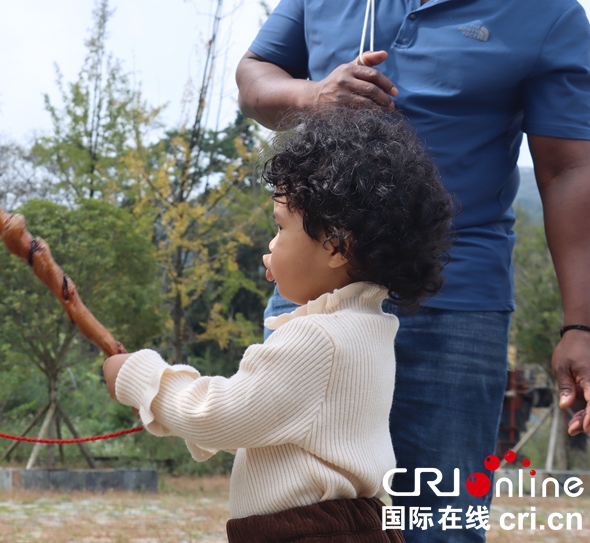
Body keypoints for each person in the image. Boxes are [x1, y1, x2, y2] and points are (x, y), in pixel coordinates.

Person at [236, 0, 590, 540]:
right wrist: (313, 96)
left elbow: (568, 170)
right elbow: (254, 76)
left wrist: (580, 324)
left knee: (440, 523)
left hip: (454, 307)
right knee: (292, 517)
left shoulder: (546, 11)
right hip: (313, 295)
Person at [103, 104, 454, 543]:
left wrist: (140, 378)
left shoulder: (316, 339)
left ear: (336, 245)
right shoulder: (368, 328)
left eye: (280, 227)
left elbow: (221, 415)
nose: (270, 245)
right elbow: (263, 419)